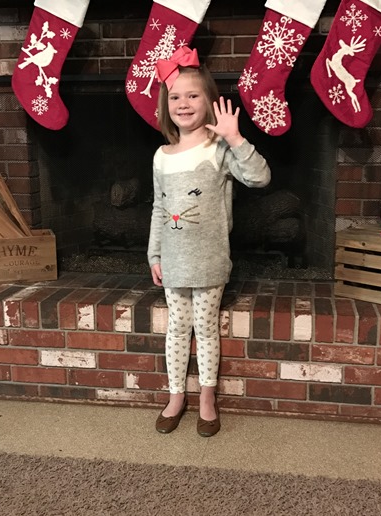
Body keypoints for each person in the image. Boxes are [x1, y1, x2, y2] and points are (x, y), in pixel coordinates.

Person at [148, 47, 271, 437]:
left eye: (193, 95)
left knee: (205, 328)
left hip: (210, 260)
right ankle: (175, 396)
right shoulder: (162, 156)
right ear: (167, 105)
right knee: (177, 329)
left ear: (209, 100)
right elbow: (159, 207)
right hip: (174, 261)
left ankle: (206, 398)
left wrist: (236, 139)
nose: (183, 103)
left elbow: (260, 178)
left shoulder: (219, 149)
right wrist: (154, 254)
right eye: (175, 97)